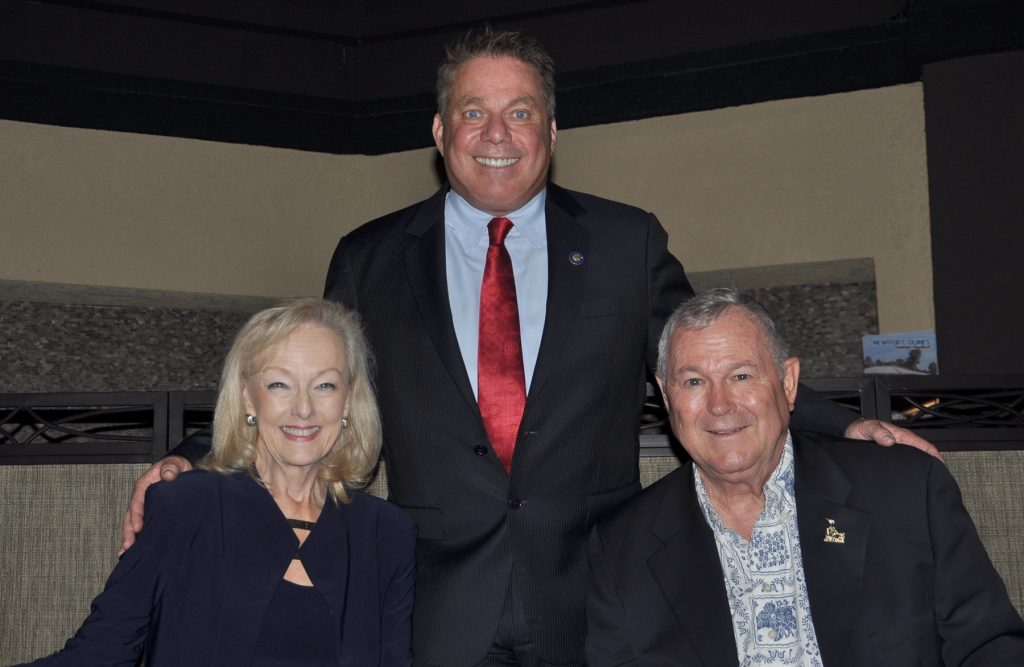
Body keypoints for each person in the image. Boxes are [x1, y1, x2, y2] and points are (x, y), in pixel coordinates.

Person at [122, 30, 937, 666]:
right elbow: (300, 383)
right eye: (474, 111)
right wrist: (199, 457)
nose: (497, 133)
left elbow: (713, 362)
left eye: (519, 111)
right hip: (431, 606)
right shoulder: (371, 257)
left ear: (551, 128)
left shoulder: (626, 243)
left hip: (594, 600)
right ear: (441, 131)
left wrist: (839, 425)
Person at [585, 288, 1024, 666]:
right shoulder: (622, 547)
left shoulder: (905, 491)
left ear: (789, 382)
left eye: (741, 376)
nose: (720, 405)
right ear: (666, 396)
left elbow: (989, 646)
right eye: (695, 382)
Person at [23, 299, 416, 666]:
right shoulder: (186, 505)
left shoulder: (386, 533)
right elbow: (101, 652)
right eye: (280, 384)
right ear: (248, 398)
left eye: (325, 385)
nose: (303, 408)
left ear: (348, 401)